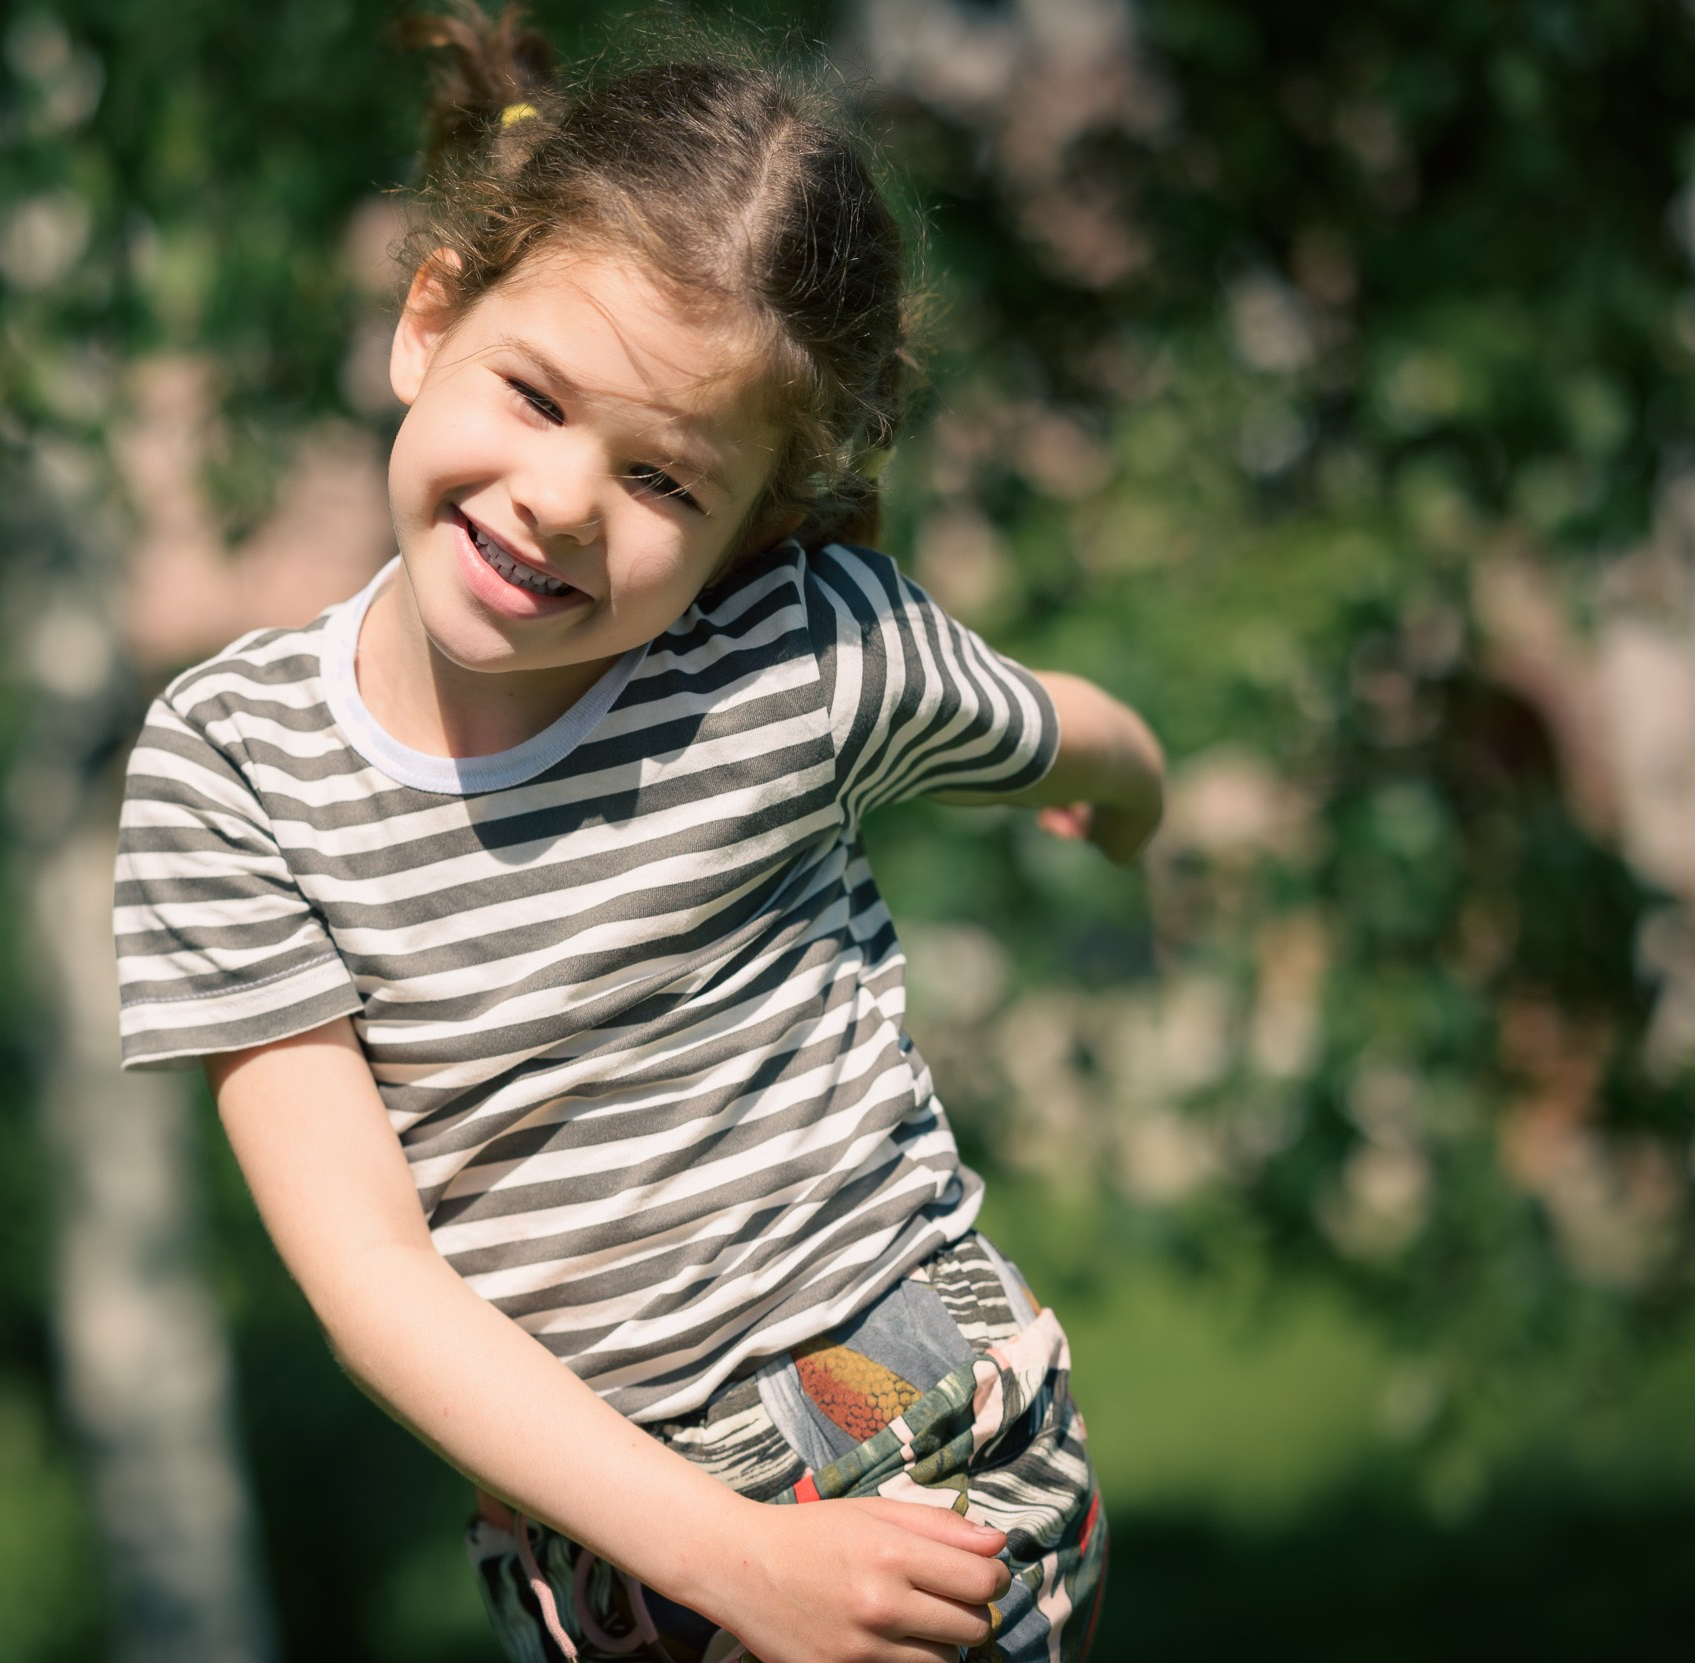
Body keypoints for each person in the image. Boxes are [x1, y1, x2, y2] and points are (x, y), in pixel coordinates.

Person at [111, 6, 1163, 1658]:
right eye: (533, 396)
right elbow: (373, 1280)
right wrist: (730, 1562)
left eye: (665, 481)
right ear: (427, 322)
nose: (557, 498)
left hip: (917, 1436)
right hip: (610, 1557)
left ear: (759, 514)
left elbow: (1055, 725)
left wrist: (1132, 785)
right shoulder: (231, 772)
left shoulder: (809, 654)